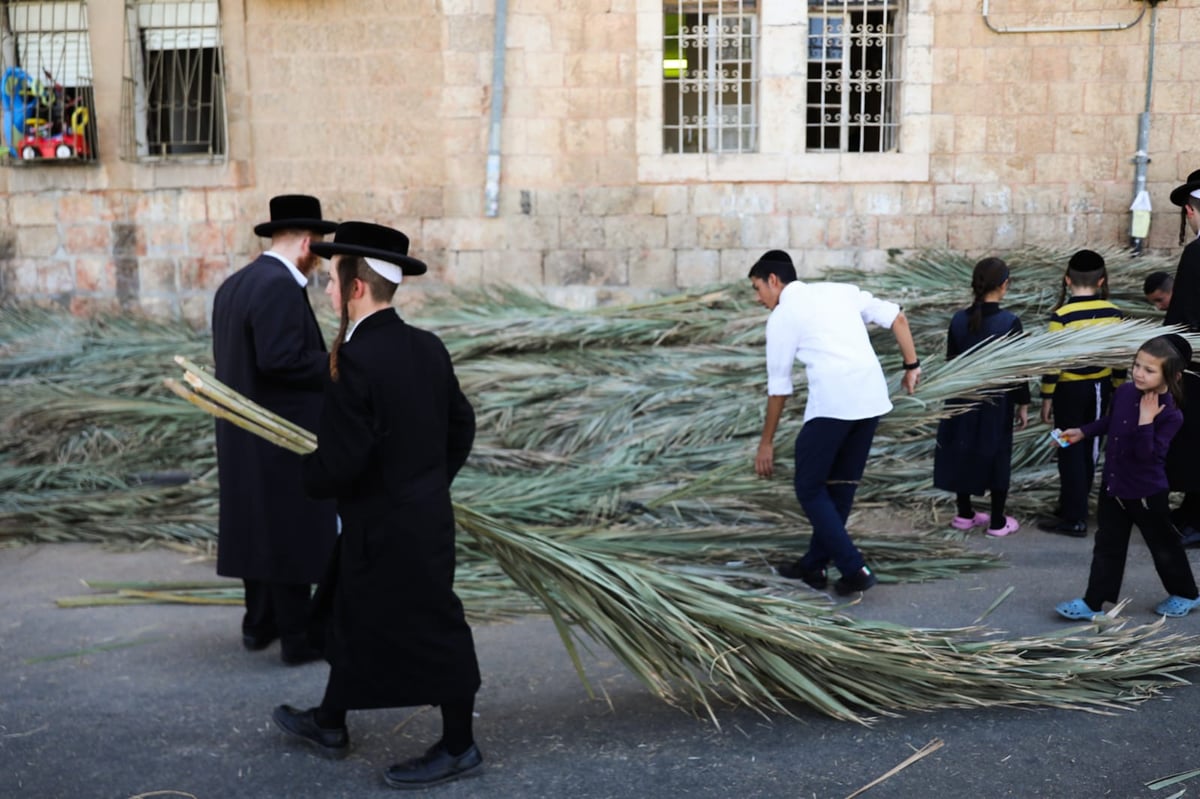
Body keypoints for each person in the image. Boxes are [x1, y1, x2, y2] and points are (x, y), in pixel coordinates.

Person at [271, 222, 482, 790]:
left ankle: (461, 746)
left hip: (385, 527)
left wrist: (308, 476)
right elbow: (462, 425)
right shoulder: (426, 346)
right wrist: (430, 483)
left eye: (333, 283)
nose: (329, 293)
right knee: (348, 613)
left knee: (433, 630)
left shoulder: (356, 358)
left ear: (356, 288)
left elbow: (343, 459)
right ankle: (330, 721)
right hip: (415, 518)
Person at [211, 194, 338, 665]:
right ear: (306, 243)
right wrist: (338, 364)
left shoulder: (236, 284)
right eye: (320, 248)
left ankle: (257, 625)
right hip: (278, 433)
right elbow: (280, 360)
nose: (320, 258)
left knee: (256, 528)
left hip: (244, 433)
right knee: (288, 534)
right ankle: (297, 639)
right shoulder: (279, 287)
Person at [750, 250, 921, 595]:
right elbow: (897, 318)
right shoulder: (840, 290)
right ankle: (814, 566)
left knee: (809, 487)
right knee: (841, 487)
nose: (759, 299)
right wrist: (911, 366)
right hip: (871, 399)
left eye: (757, 288)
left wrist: (766, 442)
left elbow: (779, 388)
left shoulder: (783, 315)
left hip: (834, 403)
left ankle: (854, 568)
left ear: (773, 280)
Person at [1054, 334, 1200, 620]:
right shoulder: (1124, 392)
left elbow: (1148, 456)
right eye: (1137, 365)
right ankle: (1093, 602)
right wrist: (1082, 432)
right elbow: (1111, 421)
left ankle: (1187, 593)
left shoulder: (1171, 414)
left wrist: (1146, 421)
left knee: (1163, 546)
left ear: (1172, 375)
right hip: (1115, 485)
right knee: (1107, 545)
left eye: (1149, 369)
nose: (1139, 373)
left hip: (1146, 493)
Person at [933, 257, 1029, 537]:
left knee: (963, 449)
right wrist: (1023, 403)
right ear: (1004, 285)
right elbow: (1017, 370)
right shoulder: (1009, 321)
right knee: (997, 454)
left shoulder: (958, 320)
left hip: (961, 397)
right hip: (995, 403)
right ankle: (997, 521)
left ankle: (964, 514)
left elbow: (950, 362)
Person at [1037, 249, 1126, 538]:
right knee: (1089, 449)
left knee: (1067, 448)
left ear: (1067, 280)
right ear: (1102, 281)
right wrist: (1117, 391)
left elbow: (1053, 363)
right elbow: (1119, 359)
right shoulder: (1114, 313)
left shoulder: (1060, 316)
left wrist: (1047, 397)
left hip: (1066, 392)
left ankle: (1073, 516)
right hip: (1099, 391)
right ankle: (1074, 509)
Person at [1165, 170, 1200, 546]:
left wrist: (1164, 356)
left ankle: (1196, 519)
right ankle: (1191, 509)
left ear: (1190, 211)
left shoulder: (1196, 253)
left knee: (1193, 438)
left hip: (1197, 367)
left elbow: (1183, 316)